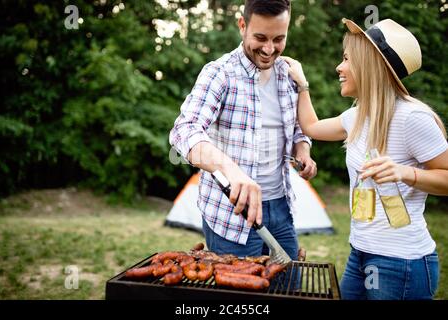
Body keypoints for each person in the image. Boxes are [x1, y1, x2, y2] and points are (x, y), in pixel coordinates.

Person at [284, 18, 448, 299]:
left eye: (347, 59)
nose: (339, 67)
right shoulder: (356, 117)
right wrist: (302, 84)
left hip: (401, 263)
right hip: (360, 253)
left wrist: (405, 173)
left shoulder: (413, 118)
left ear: (369, 66)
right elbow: (311, 127)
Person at [169, 0, 317, 260]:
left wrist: (303, 151)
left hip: (281, 208)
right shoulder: (220, 73)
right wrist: (231, 169)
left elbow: (298, 131)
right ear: (242, 26)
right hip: (230, 213)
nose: (269, 49)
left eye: (279, 39)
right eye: (260, 37)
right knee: (241, 298)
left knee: (289, 288)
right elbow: (184, 130)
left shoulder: (289, 75)